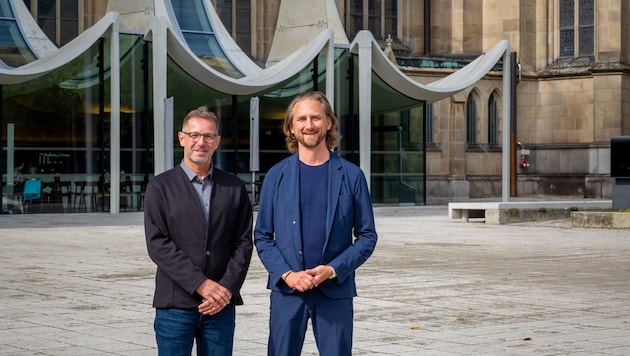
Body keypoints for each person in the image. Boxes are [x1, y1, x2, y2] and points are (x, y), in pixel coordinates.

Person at [254, 91, 378, 356]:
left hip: (334, 291)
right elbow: (263, 236)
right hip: (288, 292)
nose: (309, 125)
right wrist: (288, 275)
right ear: (291, 127)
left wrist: (332, 269)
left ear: (329, 123)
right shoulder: (276, 176)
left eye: (315, 118)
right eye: (302, 119)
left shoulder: (352, 176)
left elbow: (367, 236)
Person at [144, 106, 253, 356]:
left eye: (208, 136)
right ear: (182, 138)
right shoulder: (160, 187)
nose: (200, 142)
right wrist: (201, 284)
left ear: (217, 142)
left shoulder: (234, 187)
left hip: (221, 307)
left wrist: (225, 289)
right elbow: (158, 244)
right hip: (175, 305)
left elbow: (243, 243)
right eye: (194, 135)